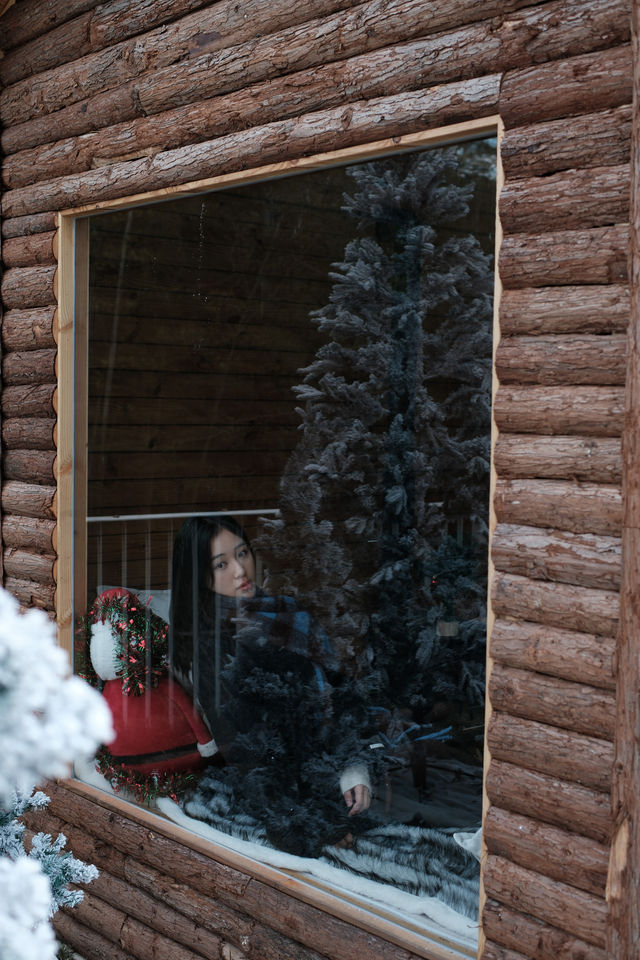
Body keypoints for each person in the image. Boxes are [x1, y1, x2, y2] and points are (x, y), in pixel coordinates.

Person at [169, 515, 372, 851]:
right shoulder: (210, 644)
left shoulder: (289, 613)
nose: (239, 570)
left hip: (333, 771)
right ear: (199, 577)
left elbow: (342, 690)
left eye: (242, 553)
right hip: (285, 790)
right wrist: (311, 821)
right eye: (221, 564)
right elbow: (245, 748)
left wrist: (354, 765)